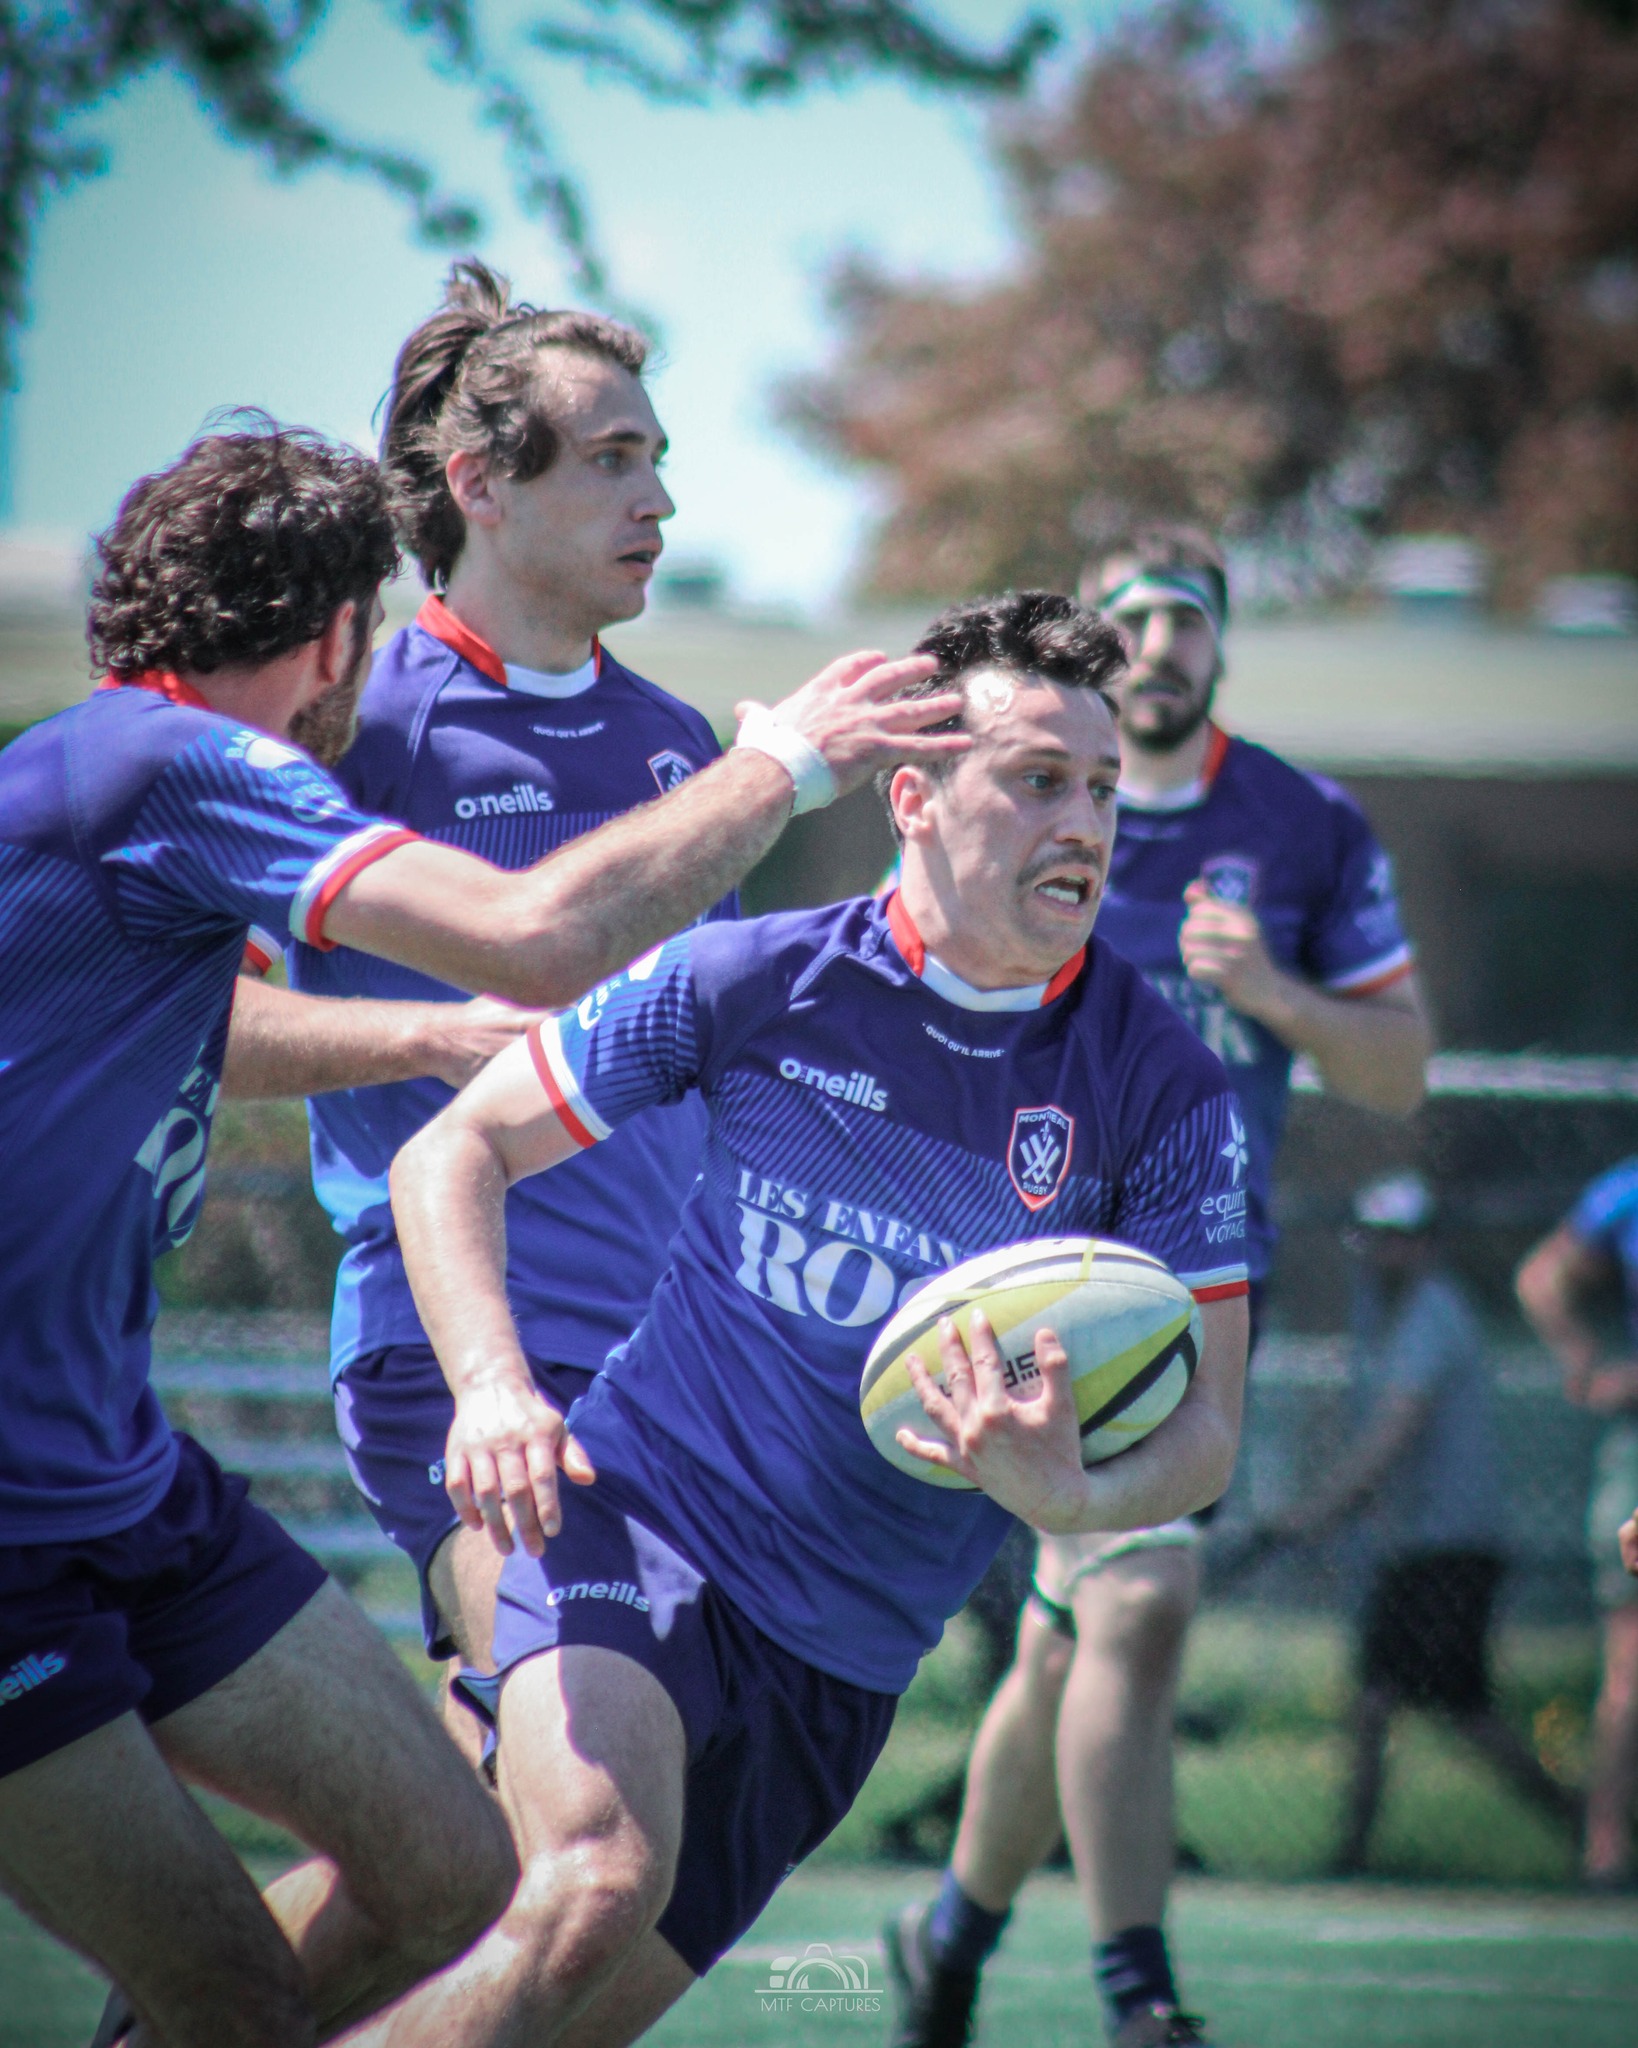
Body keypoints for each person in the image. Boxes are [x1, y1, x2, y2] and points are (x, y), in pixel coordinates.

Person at [0, 418, 961, 2048]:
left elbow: (191, 1024)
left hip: (129, 1483)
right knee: (227, 1987)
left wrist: (416, 1041)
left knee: (456, 1873)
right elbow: (538, 936)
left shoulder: (116, 788)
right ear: (331, 642)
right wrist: (785, 761)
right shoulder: (173, 757)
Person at [331, 591, 1254, 2048]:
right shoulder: (763, 976)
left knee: (457, 1948)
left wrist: (1067, 1490)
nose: (1081, 821)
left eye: (1098, 789)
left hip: (838, 1667)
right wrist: (496, 1387)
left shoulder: (1159, 1092)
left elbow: (1206, 1433)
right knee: (592, 1885)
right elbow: (451, 1150)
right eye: (1034, 780)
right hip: (628, 1521)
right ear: (915, 797)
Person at [891, 524, 1432, 2048]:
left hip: (1190, 1284)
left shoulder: (1306, 830)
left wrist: (1271, 991)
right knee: (1109, 1615)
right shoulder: (1007, 803)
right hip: (1015, 1281)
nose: (1159, 644)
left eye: (1185, 617)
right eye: (1129, 617)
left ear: (1219, 644)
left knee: (1098, 1623)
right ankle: (1119, 1995)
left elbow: (1399, 1075)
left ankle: (961, 1952)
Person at [223, 261, 740, 1674]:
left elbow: (722, 1041)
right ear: (482, 485)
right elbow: (197, 1024)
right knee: (600, 1791)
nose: (660, 503)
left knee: (477, 1842)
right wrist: (421, 1035)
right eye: (613, 459)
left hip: (676, 1365)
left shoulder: (679, 746)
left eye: (660, 459)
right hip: (460, 1358)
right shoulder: (357, 731)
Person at [1267, 1172, 1573, 1873]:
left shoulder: (1433, 1313)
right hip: (1413, 1547)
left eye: (1402, 1241)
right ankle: (1354, 1853)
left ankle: (1592, 1827)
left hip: (1452, 1546)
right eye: (1377, 1240)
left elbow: (1391, 1436)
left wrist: (1317, 1511)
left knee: (1461, 1713)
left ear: (1429, 1246)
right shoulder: (1381, 1311)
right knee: (1380, 1703)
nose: (1387, 1253)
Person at [1517, 1158, 1638, 1889]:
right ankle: (1606, 1847)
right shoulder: (1626, 1191)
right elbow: (1541, 1276)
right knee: (1630, 1663)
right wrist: (1586, 1364)